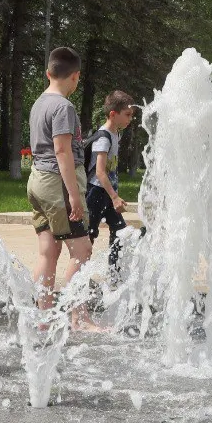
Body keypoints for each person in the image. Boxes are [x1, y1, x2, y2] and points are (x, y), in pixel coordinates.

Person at [26, 46, 99, 330]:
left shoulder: (38, 103)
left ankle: (42, 318)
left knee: (48, 251)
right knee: (82, 250)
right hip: (57, 182)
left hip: (37, 181)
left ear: (48, 73)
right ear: (76, 77)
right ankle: (79, 318)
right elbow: (62, 151)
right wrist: (73, 195)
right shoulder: (63, 107)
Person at [84, 90, 136, 267]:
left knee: (120, 231)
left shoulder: (116, 134)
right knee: (90, 235)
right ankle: (79, 278)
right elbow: (100, 172)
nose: (130, 119)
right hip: (96, 193)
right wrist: (114, 196)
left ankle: (115, 273)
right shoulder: (104, 137)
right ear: (113, 114)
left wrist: (114, 195)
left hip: (107, 192)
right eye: (127, 115)